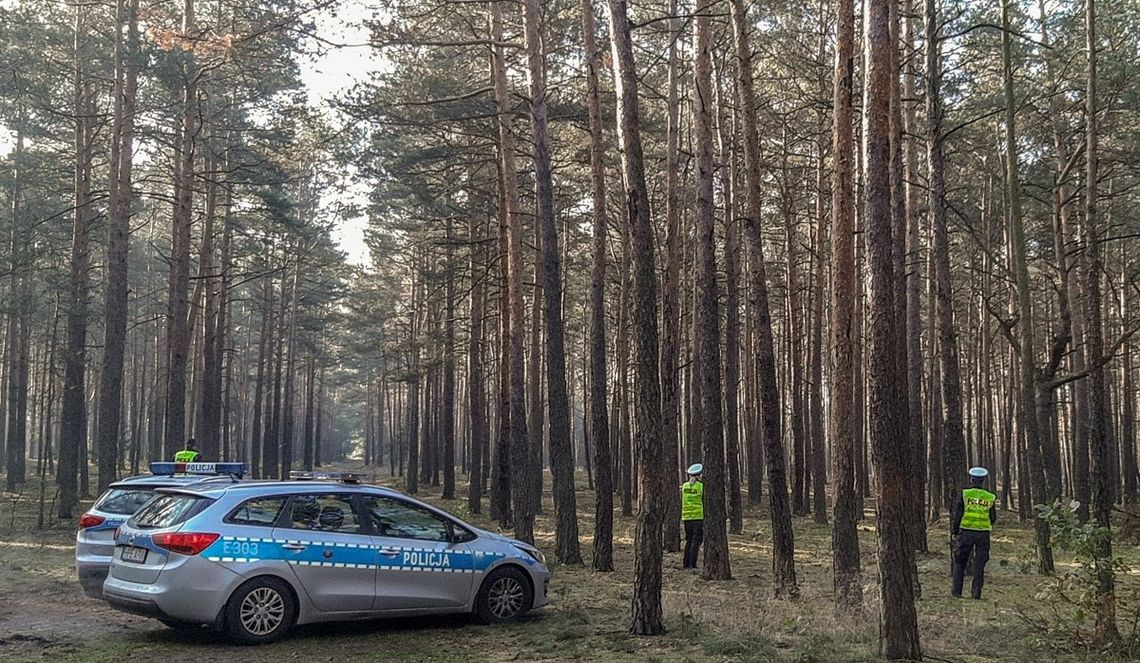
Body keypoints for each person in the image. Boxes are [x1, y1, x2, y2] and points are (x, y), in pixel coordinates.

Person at [951, 466, 997, 599]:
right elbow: (992, 517)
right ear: (983, 480)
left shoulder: (965, 494)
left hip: (966, 532)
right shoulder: (989, 497)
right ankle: (976, 592)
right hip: (983, 534)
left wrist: (955, 531)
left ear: (971, 479)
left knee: (960, 561)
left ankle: (957, 591)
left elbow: (958, 515)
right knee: (980, 563)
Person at [681, 463, 704, 569]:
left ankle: (686, 563)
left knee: (689, 540)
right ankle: (693, 563)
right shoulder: (701, 487)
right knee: (696, 541)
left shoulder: (684, 486)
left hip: (686, 517)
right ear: (699, 475)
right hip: (698, 517)